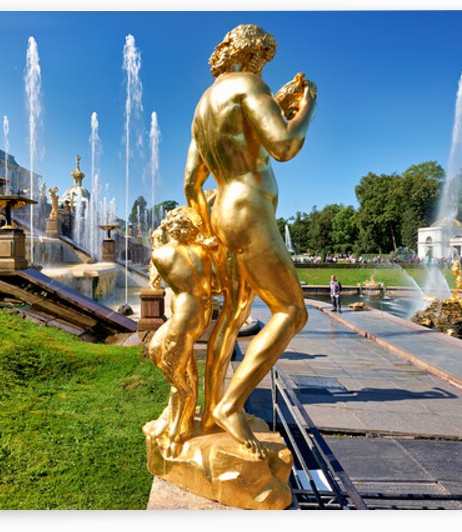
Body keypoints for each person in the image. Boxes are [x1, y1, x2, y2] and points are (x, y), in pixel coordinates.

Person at [184, 23, 316, 457]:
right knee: (291, 311)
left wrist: (210, 232)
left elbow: (191, 183)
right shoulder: (249, 85)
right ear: (252, 55)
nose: (263, 67)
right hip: (250, 211)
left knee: (232, 317)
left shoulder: (205, 104)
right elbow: (284, 145)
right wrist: (306, 108)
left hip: (224, 212)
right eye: (262, 57)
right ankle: (229, 405)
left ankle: (210, 412)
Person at [145, 207, 217, 457]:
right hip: (198, 313)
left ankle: (177, 431)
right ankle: (181, 413)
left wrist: (158, 237)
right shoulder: (202, 251)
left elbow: (156, 281)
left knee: (174, 375)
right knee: (157, 351)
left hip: (186, 316)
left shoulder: (160, 254)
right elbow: (215, 286)